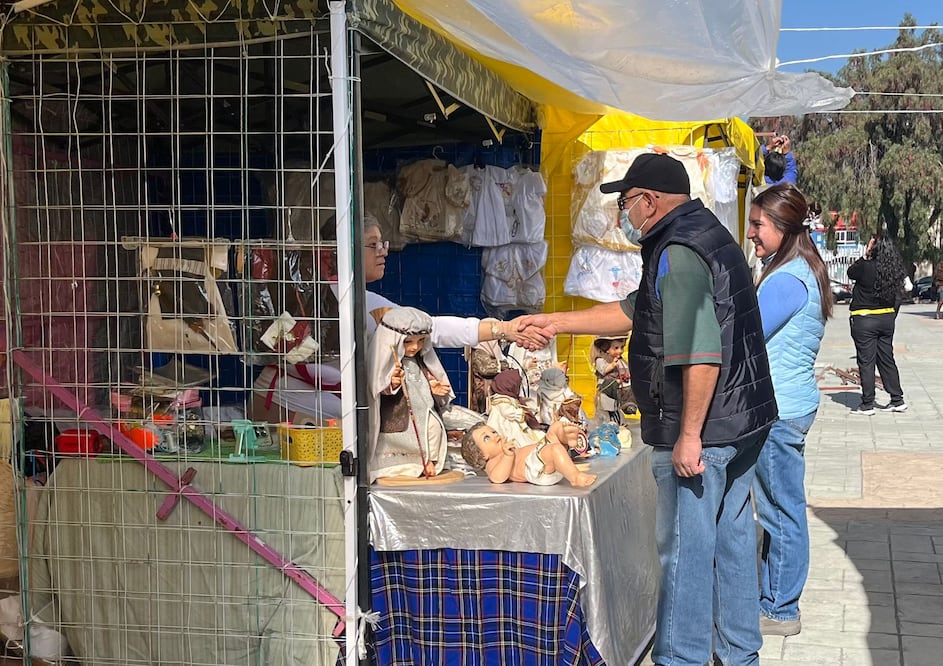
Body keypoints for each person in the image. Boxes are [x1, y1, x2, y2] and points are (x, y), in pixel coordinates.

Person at [518, 153, 777, 666]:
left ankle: (680, 658)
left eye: (626, 203)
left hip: (710, 426)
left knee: (683, 551)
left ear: (650, 201)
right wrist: (553, 321)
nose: (624, 215)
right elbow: (636, 309)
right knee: (731, 538)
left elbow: (701, 353)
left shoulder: (678, 251)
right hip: (743, 417)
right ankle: (740, 652)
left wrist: (689, 435)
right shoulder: (702, 234)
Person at [252, 216, 532, 422]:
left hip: (275, 398)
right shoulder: (354, 303)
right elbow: (432, 328)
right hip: (285, 405)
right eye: (372, 245)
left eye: (382, 243)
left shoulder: (331, 295)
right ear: (339, 251)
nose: (383, 251)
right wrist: (503, 328)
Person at [746, 183, 832, 637]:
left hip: (779, 411)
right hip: (790, 405)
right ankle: (773, 597)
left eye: (758, 225)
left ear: (783, 227)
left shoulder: (786, 280)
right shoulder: (802, 271)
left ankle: (780, 609)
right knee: (782, 508)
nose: (752, 233)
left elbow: (746, 338)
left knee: (781, 512)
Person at [368, 307, 452, 482]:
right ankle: (405, 464)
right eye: (408, 342)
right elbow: (376, 385)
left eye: (421, 341)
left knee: (434, 430)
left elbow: (428, 373)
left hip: (424, 407)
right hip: (398, 411)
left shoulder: (419, 359)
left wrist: (433, 385)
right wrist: (392, 383)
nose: (416, 347)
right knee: (405, 439)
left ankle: (430, 461)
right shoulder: (389, 362)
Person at [847, 235, 909, 414]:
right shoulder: (894, 270)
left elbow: (851, 272)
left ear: (873, 248)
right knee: (887, 359)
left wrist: (865, 255)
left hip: (864, 318)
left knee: (866, 361)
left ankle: (867, 404)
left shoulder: (865, 266)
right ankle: (897, 400)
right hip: (887, 319)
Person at [460, 422, 596, 487]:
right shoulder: (493, 463)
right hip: (536, 471)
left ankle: (567, 438)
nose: (494, 435)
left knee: (554, 429)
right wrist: (508, 456)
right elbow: (497, 478)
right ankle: (575, 477)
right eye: (486, 438)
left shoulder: (507, 450)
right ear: (482, 455)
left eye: (493, 432)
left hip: (540, 460)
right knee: (554, 449)